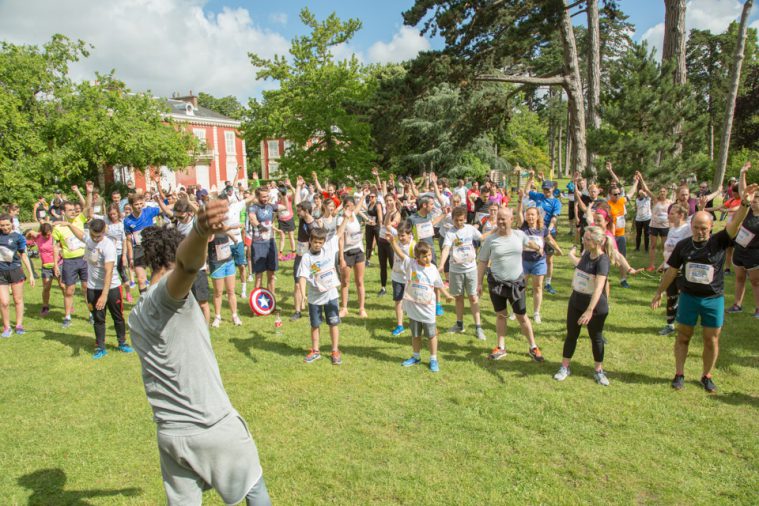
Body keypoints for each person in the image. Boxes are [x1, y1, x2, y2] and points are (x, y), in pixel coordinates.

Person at [127, 203, 271, 506]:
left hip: (170, 436)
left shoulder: (136, 313)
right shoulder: (166, 296)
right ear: (172, 256)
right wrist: (200, 231)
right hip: (210, 426)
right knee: (255, 490)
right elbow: (187, 267)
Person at [651, 184, 758, 393]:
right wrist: (659, 292)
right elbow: (671, 272)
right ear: (691, 226)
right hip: (689, 297)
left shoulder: (719, 241)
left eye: (704, 228)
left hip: (713, 299)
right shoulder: (683, 246)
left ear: (711, 228)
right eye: (696, 227)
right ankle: (679, 373)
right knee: (683, 336)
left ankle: (706, 376)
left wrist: (745, 203)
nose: (700, 232)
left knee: (711, 339)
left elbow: (736, 222)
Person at [476, 207, 544, 363]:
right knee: (501, 315)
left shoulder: (519, 235)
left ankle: (533, 346)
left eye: (503, 218)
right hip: (497, 284)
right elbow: (482, 262)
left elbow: (530, 242)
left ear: (511, 220)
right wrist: (479, 283)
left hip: (516, 284)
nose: (500, 221)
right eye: (498, 218)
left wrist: (538, 248)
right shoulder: (490, 240)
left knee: (521, 316)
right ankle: (501, 347)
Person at [57, 218, 132, 358]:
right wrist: (68, 224)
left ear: (104, 232)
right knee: (98, 318)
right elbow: (81, 235)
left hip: (112, 288)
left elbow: (109, 272)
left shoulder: (108, 246)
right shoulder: (89, 239)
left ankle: (122, 343)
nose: (96, 238)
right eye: (93, 235)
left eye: (99, 235)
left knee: (118, 317)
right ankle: (100, 347)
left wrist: (104, 295)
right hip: (93, 288)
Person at [553, 226, 613, 386]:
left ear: (598, 242)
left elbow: (599, 287)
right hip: (576, 302)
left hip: (594, 307)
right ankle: (565, 367)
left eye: (587, 239)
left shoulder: (603, 260)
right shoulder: (587, 254)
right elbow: (581, 267)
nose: (583, 241)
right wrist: (571, 255)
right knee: (571, 335)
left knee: (596, 338)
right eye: (584, 238)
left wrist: (589, 311)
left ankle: (598, 371)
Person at [388, 234, 453, 373]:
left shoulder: (433, 269)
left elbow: (438, 284)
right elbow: (400, 253)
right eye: (424, 256)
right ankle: (416, 356)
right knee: (415, 334)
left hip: (428, 309)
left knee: (431, 335)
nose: (427, 258)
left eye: (429, 255)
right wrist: (393, 242)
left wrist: (447, 295)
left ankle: (433, 359)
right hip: (414, 308)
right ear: (417, 257)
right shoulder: (411, 264)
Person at [297, 222, 349, 365]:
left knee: (333, 323)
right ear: (310, 241)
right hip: (314, 297)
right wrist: (303, 296)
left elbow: (339, 233)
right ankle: (315, 351)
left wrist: (346, 217)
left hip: (331, 295)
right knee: (315, 325)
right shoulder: (306, 258)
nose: (318, 245)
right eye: (315, 242)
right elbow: (302, 277)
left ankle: (335, 351)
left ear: (324, 242)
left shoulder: (329, 247)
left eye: (320, 242)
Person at [439, 206, 486, 340]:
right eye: (456, 220)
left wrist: (494, 230)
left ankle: (478, 327)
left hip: (471, 269)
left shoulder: (470, 229)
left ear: (465, 219)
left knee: (473, 297)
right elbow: (446, 249)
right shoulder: (450, 233)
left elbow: (482, 236)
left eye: (461, 220)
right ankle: (459, 324)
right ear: (452, 219)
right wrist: (442, 264)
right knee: (458, 297)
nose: (459, 223)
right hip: (455, 271)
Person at [516, 195, 563, 324]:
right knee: (520, 287)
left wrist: (558, 249)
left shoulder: (542, 229)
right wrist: (520, 200)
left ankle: (536, 313)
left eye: (533, 215)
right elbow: (518, 212)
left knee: (537, 287)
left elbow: (549, 240)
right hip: (524, 261)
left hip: (539, 261)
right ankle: (518, 310)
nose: (530, 217)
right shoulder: (522, 227)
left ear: (537, 216)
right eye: (528, 215)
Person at [52, 184, 92, 328]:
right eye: (69, 210)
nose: (73, 212)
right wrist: (56, 265)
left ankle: (91, 314)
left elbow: (87, 206)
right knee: (69, 290)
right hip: (69, 261)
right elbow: (56, 247)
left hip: (84, 259)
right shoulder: (58, 227)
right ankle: (67, 316)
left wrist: (88, 192)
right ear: (63, 212)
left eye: (73, 210)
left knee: (87, 288)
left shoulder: (79, 220)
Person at [727, 162, 759, 318]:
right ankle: (737, 305)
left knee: (755, 282)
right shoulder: (747, 211)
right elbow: (743, 191)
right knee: (739, 278)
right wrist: (742, 173)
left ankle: (758, 309)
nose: (754, 200)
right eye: (754, 198)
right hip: (739, 249)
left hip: (754, 253)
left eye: (757, 198)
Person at [657, 204, 691, 336]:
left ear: (681, 215)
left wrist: (702, 207)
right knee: (671, 297)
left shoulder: (687, 229)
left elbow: (698, 222)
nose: (668, 215)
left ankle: (684, 325)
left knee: (683, 298)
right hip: (668, 268)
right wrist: (663, 263)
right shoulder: (671, 229)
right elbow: (669, 251)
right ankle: (670, 325)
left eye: (672, 213)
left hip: (681, 270)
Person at [525, 171, 561, 295]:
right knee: (533, 254)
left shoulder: (556, 202)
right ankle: (532, 280)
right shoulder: (539, 196)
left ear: (552, 189)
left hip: (548, 231)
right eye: (544, 189)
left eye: (548, 190)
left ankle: (548, 283)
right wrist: (530, 178)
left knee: (549, 259)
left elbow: (554, 217)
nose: (546, 192)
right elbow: (527, 191)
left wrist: (549, 228)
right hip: (536, 231)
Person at [0, 213, 35, 337]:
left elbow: (24, 255)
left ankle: (19, 325)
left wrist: (31, 274)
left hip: (15, 270)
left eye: (7, 225)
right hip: (1, 272)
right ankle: (6, 327)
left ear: (12, 224)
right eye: (2, 225)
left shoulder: (18, 237)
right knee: (4, 302)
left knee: (17, 299)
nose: (5, 227)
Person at [124, 192, 164, 293]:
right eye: (136, 204)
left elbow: (165, 208)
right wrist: (130, 257)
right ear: (131, 205)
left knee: (156, 275)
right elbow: (129, 240)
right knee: (141, 279)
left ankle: (155, 299)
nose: (139, 206)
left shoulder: (149, 211)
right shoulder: (127, 221)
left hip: (152, 247)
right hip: (138, 249)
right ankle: (144, 302)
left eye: (141, 203)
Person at [248, 187, 283, 298]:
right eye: (263, 196)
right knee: (259, 275)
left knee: (271, 274)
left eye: (267, 196)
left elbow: (285, 207)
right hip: (258, 244)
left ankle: (271, 300)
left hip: (270, 243)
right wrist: (259, 226)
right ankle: (257, 301)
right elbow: (252, 218)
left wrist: (285, 195)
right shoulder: (253, 207)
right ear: (258, 197)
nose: (266, 198)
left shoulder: (270, 206)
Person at [337, 196, 368, 318]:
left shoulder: (355, 215)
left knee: (360, 281)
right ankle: (344, 308)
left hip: (359, 251)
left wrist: (363, 196)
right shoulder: (340, 220)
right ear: (343, 207)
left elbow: (359, 205)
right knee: (345, 282)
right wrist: (341, 258)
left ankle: (361, 308)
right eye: (347, 206)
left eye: (351, 205)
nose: (350, 208)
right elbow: (340, 240)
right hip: (346, 252)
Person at [290, 186, 316, 322]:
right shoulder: (301, 220)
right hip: (299, 257)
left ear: (306, 212)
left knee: (314, 283)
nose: (297, 212)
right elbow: (296, 203)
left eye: (300, 211)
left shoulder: (313, 226)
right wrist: (296, 186)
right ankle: (297, 311)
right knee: (297, 284)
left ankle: (315, 310)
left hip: (311, 259)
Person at [25, 224, 55, 316]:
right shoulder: (38, 236)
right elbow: (28, 233)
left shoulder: (54, 237)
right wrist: (30, 236)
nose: (47, 236)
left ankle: (69, 306)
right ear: (41, 232)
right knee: (46, 287)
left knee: (63, 286)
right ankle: (45, 306)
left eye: (49, 234)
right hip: (46, 266)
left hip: (58, 265)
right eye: (46, 234)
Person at [377, 192, 402, 297]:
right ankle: (383, 288)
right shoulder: (386, 211)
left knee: (393, 265)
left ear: (395, 201)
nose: (388, 202)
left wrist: (388, 217)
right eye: (387, 201)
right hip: (381, 241)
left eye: (390, 200)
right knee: (382, 266)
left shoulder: (397, 213)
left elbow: (390, 225)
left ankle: (396, 287)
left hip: (390, 243)